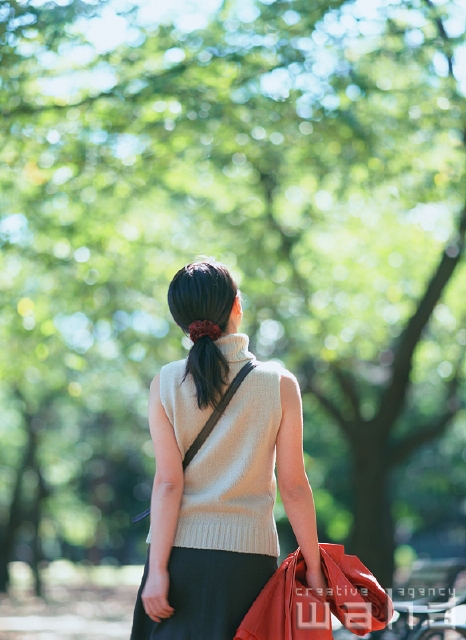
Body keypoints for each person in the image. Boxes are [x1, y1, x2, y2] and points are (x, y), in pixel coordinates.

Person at [130, 259, 326, 640]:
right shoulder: (279, 384)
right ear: (237, 305)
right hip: (248, 564)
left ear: (181, 322)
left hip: (176, 560)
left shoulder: (166, 382)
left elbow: (168, 484)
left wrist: (157, 572)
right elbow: (294, 486)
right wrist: (314, 567)